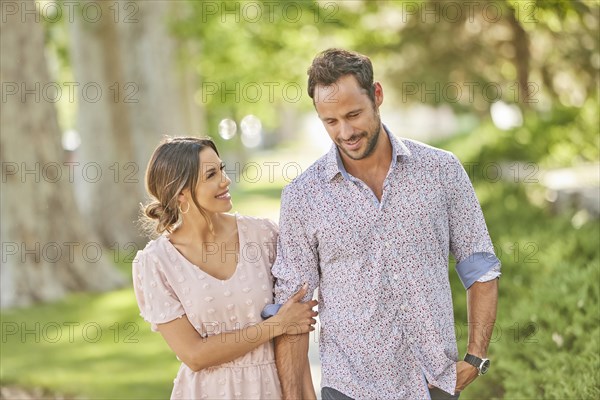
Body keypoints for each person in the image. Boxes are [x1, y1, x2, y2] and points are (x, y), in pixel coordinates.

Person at [268, 49, 501, 400]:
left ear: (376, 96)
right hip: (349, 388)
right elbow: (292, 310)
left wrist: (476, 356)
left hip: (433, 384)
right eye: (330, 121)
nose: (345, 132)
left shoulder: (441, 171)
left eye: (353, 114)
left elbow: (479, 266)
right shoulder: (303, 197)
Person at [132, 136, 318, 399]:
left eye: (221, 169)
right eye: (211, 174)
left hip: (270, 390)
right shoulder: (155, 263)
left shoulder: (263, 236)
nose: (225, 179)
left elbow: (296, 332)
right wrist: (276, 325)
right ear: (181, 193)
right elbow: (194, 355)